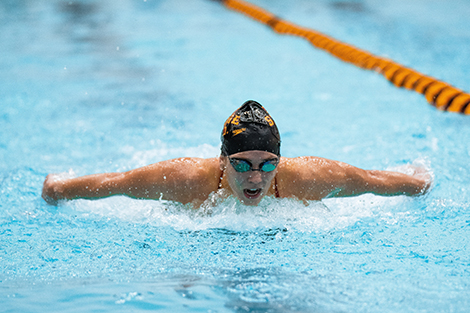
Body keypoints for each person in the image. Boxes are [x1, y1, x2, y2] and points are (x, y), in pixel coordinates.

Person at [42, 100, 432, 207]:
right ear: (222, 161)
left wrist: (418, 182)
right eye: (242, 164)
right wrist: (58, 189)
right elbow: (116, 184)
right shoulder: (186, 180)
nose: (256, 178)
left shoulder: (308, 177)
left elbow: (372, 181)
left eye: (268, 165)